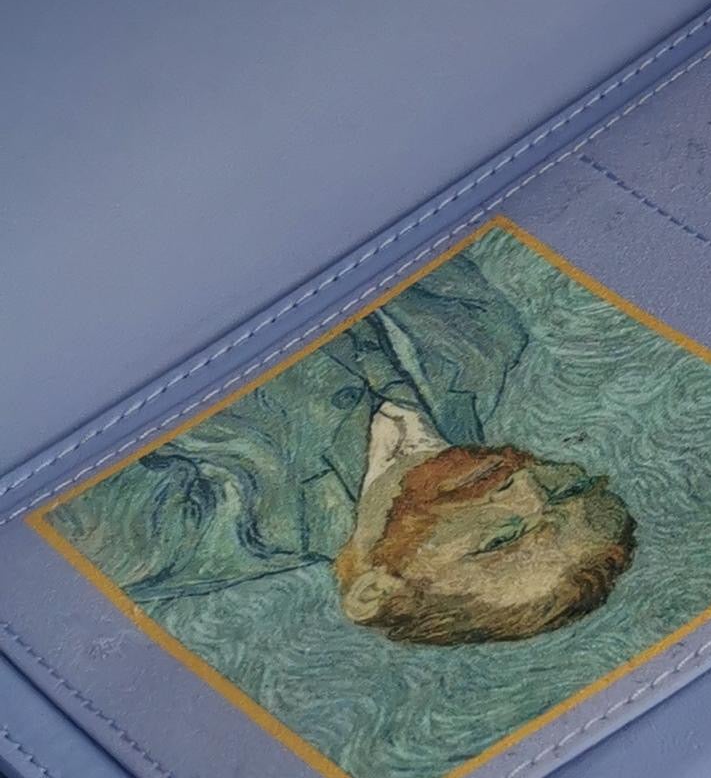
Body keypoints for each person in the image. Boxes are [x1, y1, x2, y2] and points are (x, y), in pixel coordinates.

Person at [56, 254, 635, 646]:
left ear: (374, 589)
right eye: (566, 490)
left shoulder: (166, 536)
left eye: (499, 540)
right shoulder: (481, 339)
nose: (523, 487)